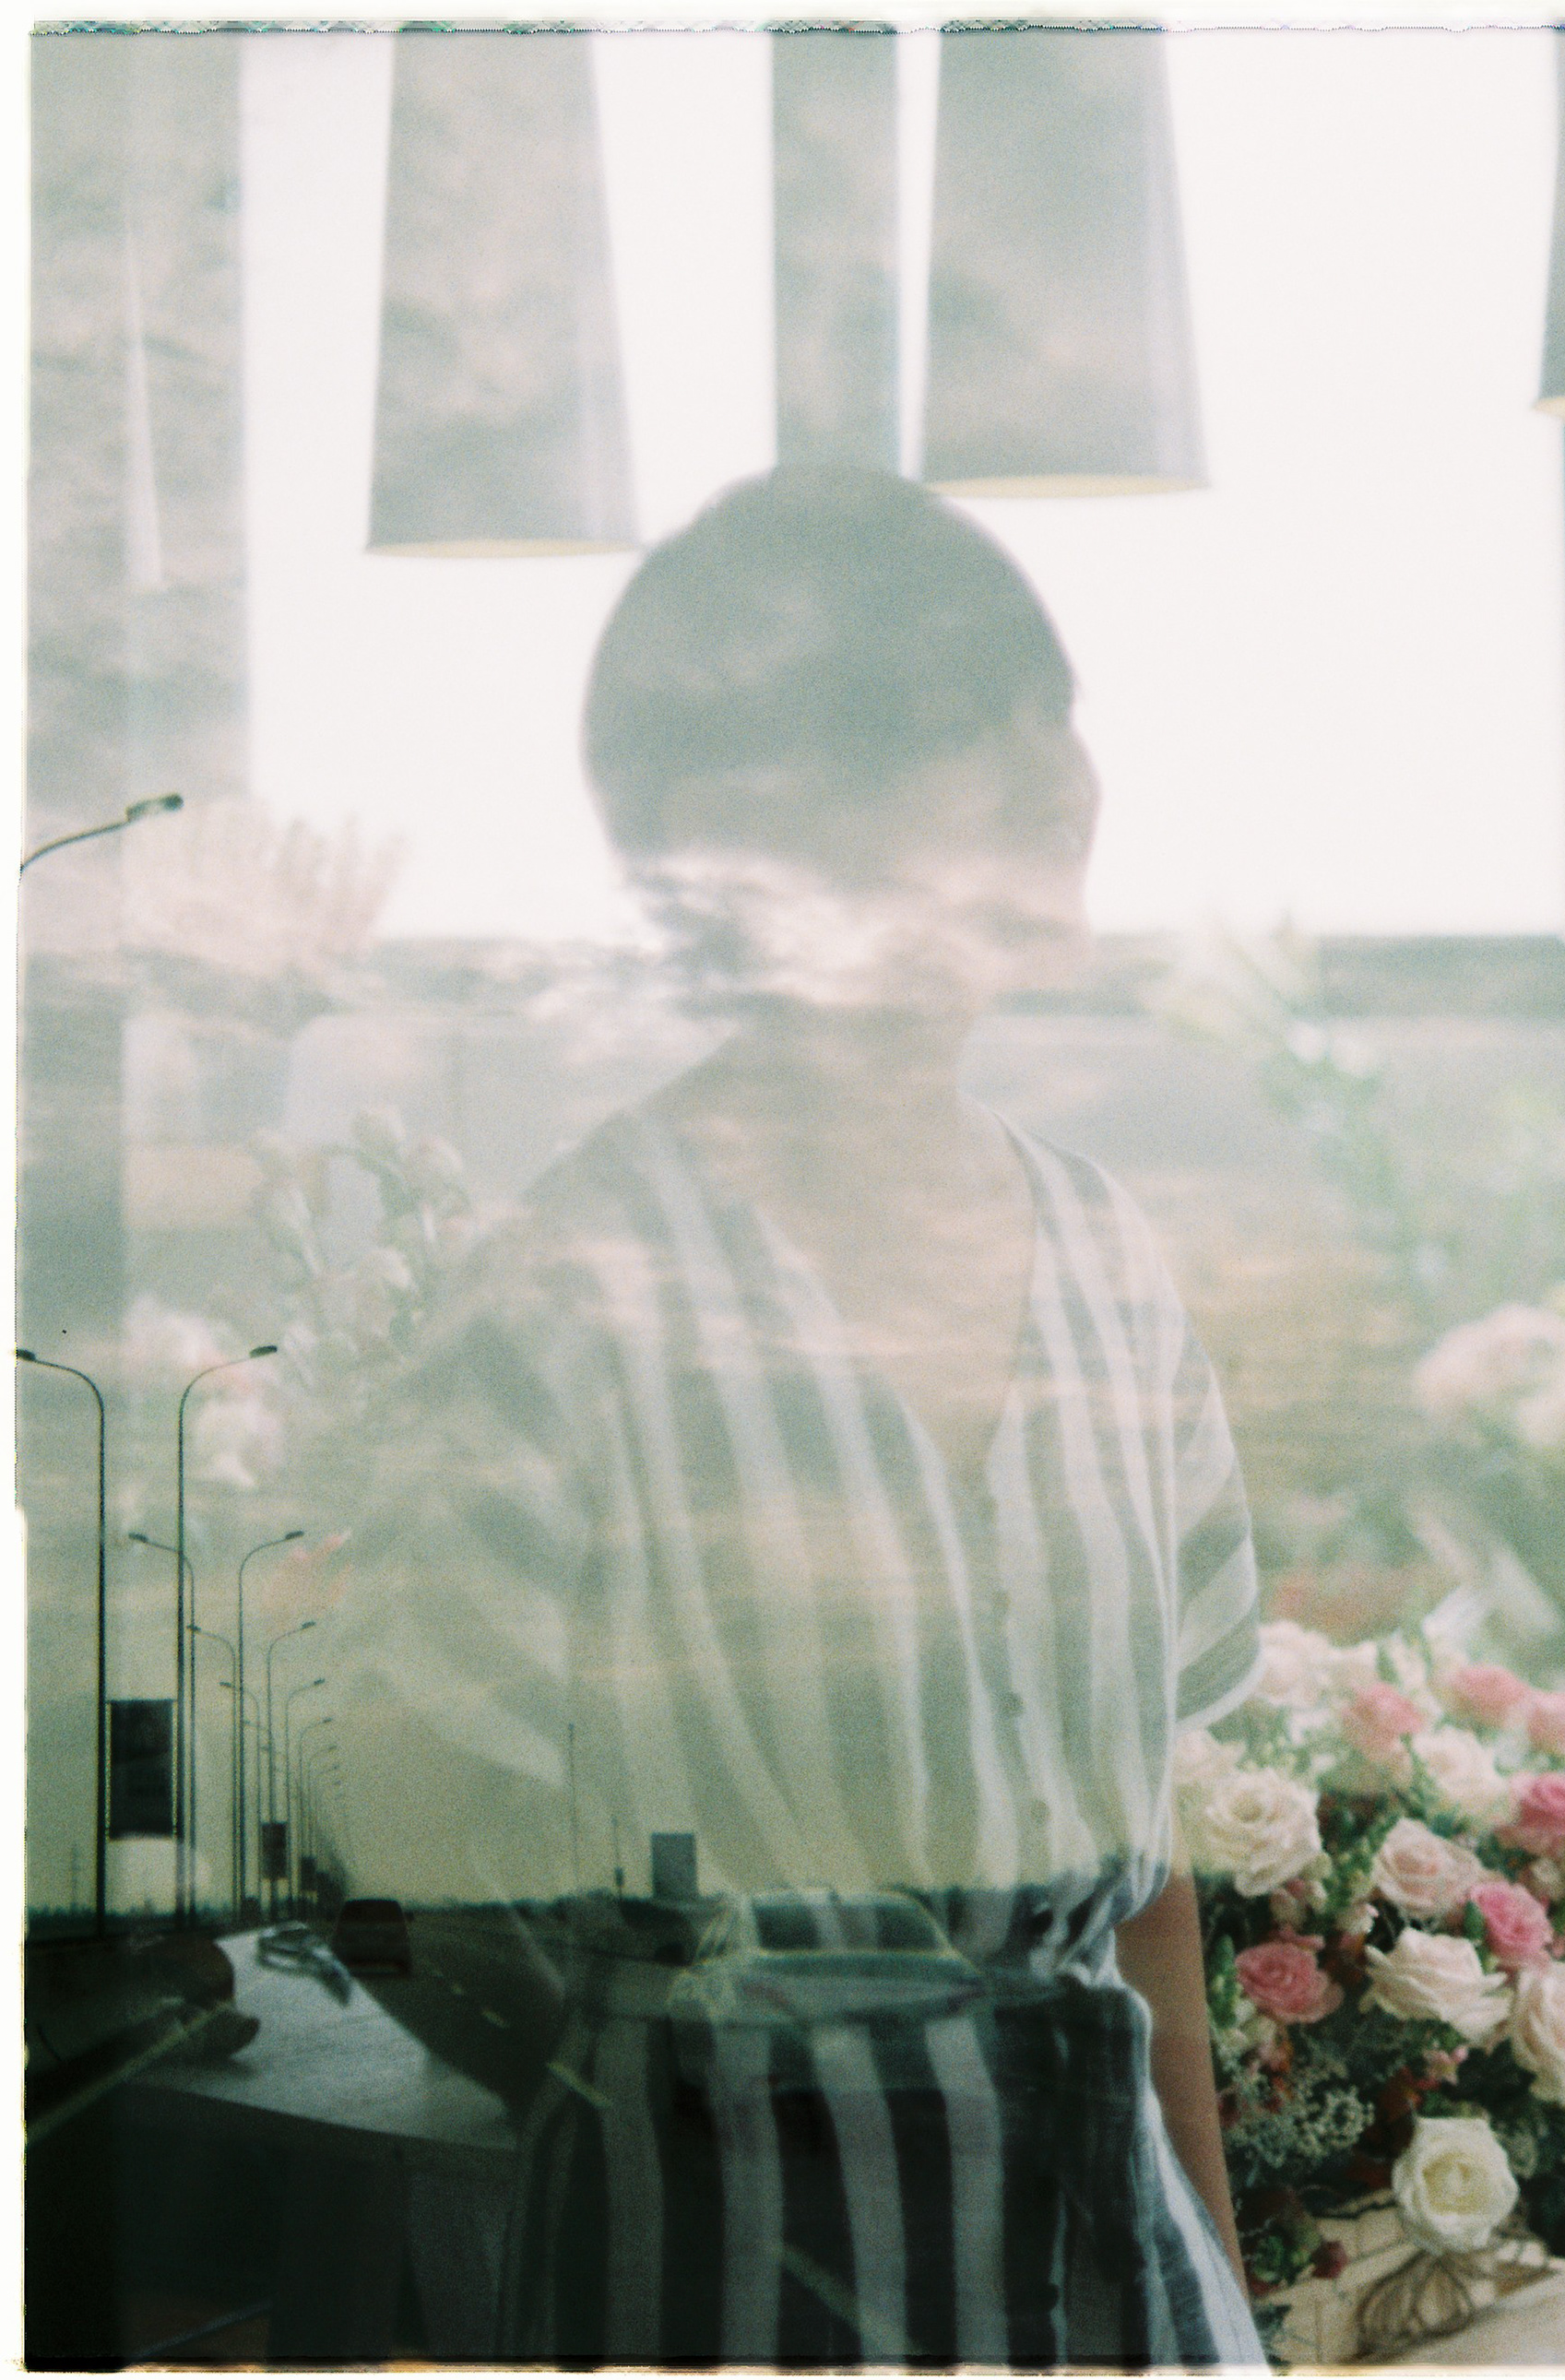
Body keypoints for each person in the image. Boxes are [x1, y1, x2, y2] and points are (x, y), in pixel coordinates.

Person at [323, 466, 1264, 2365]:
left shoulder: (1107, 1256)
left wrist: (1232, 2301)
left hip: (1124, 2290)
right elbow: (398, 1879)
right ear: (735, 827)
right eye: (957, 725)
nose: (1058, 778)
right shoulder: (568, 1294)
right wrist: (688, 2073)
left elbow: (1145, 1870)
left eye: (1054, 710)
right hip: (727, 2282)